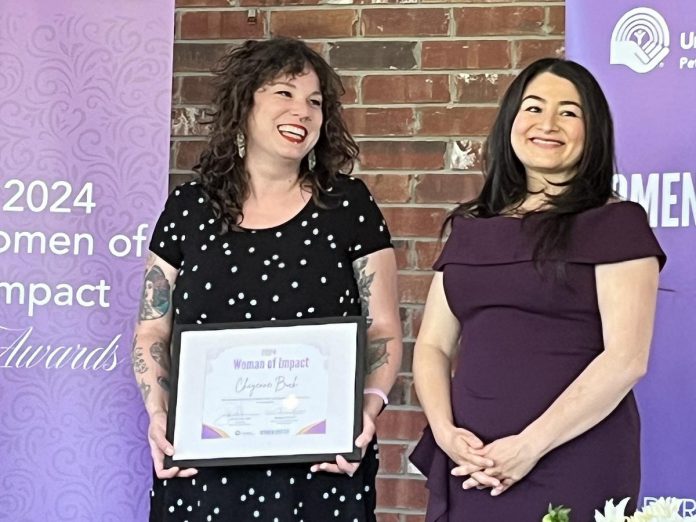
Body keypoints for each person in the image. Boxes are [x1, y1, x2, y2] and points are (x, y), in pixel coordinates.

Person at [132, 37, 402, 522]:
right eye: (285, 93)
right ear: (244, 103)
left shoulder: (350, 206)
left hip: (322, 468)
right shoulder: (187, 209)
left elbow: (381, 328)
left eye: (315, 102)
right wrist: (159, 413)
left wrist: (367, 409)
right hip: (202, 469)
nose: (302, 111)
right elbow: (153, 327)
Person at [409, 57, 665, 521]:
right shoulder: (472, 227)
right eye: (533, 108)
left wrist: (530, 446)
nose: (548, 124)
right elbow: (432, 345)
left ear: (594, 132)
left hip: (573, 461)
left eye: (569, 112)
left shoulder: (616, 224)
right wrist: (446, 434)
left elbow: (626, 359)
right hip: (472, 463)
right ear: (511, 121)